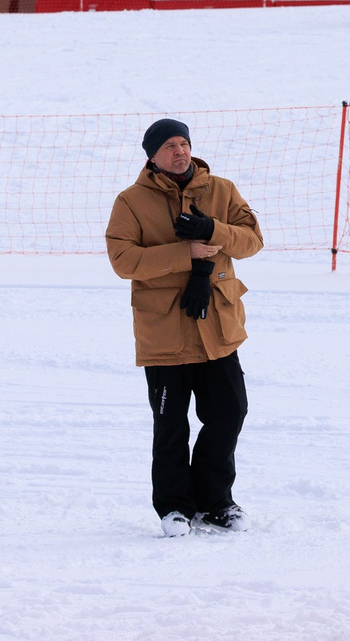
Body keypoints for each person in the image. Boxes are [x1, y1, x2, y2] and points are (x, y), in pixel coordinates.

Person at [104, 118, 264, 536]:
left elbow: (251, 241)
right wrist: (184, 253)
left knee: (229, 413)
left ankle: (217, 502)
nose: (180, 151)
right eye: (170, 146)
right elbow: (123, 261)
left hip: (217, 328)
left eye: (184, 143)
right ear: (152, 156)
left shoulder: (222, 190)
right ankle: (174, 507)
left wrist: (213, 229)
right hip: (164, 333)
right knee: (171, 424)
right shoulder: (131, 202)